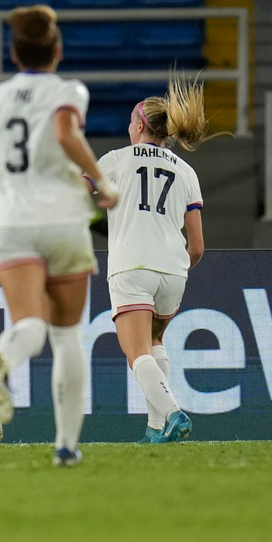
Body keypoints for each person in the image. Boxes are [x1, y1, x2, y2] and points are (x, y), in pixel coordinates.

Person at [0, 5, 119, 467]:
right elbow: (66, 133)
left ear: (13, 52)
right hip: (64, 219)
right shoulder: (68, 90)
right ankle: (66, 447)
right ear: (58, 51)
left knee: (28, 322)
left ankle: (5, 359)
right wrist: (101, 182)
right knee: (67, 336)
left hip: (11, 221)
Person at [96, 76, 218, 444]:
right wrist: (175, 267)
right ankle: (154, 428)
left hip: (131, 266)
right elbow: (196, 246)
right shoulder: (186, 170)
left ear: (137, 125)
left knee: (136, 354)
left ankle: (173, 412)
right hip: (174, 270)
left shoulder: (115, 161)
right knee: (154, 344)